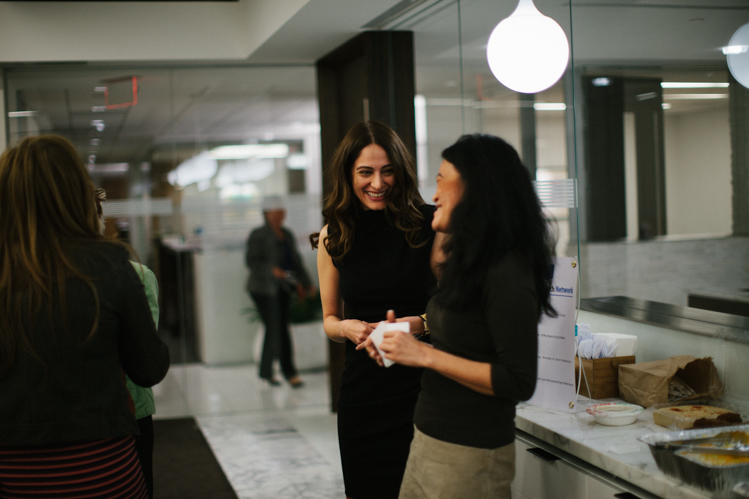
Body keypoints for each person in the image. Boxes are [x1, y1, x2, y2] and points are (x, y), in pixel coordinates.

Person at [369, 134, 557, 499]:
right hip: (429, 438)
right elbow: (466, 335)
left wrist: (422, 354)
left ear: (476, 189)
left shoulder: (508, 270)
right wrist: (407, 335)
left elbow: (518, 381)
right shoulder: (471, 262)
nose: (434, 195)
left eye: (441, 180)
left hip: (471, 454)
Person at [0, 135, 170, 498]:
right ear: (76, 193)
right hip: (99, 465)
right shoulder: (109, 264)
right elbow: (149, 367)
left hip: (10, 469)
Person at [315, 120, 442, 499]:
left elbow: (459, 306)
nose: (378, 183)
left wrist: (418, 324)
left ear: (400, 172)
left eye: (388, 171)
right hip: (363, 394)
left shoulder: (428, 225)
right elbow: (328, 319)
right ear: (347, 175)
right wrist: (347, 328)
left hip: (421, 388)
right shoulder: (333, 235)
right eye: (365, 172)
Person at [96, 188, 160, 499]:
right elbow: (148, 360)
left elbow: (144, 357)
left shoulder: (136, 274)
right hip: (113, 415)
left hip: (129, 409)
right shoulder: (128, 274)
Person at [245, 195, 315, 387]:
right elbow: (251, 261)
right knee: (276, 328)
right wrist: (271, 270)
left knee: (278, 328)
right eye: (275, 209)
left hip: (283, 289)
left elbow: (296, 262)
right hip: (262, 289)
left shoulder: (287, 234)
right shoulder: (258, 234)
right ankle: (287, 372)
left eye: (281, 209)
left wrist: (308, 283)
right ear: (267, 213)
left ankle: (270, 372)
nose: (280, 213)